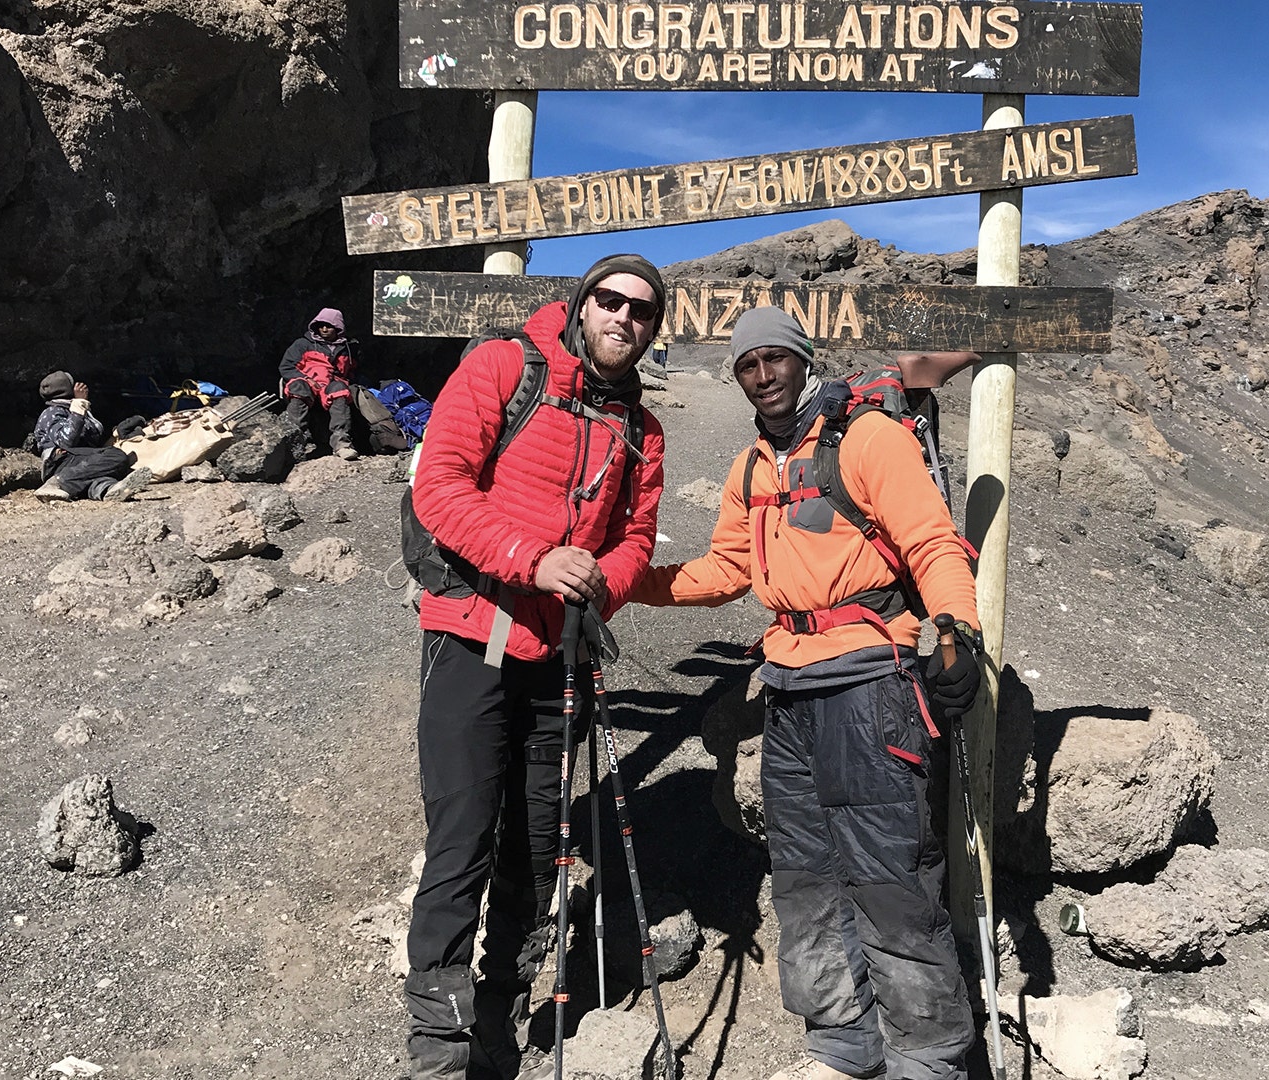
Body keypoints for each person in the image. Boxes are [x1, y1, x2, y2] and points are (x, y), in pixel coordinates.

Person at [629, 306, 983, 1080]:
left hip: (870, 682)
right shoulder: (752, 467)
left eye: (774, 359)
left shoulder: (867, 438)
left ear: (802, 358)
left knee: (889, 876)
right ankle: (843, 1045)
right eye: (747, 365)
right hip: (786, 688)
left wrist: (958, 629)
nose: (762, 376)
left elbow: (929, 542)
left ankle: (927, 1059)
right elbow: (724, 572)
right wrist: (628, 584)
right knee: (804, 878)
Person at [403, 255, 669, 1080]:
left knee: (535, 845)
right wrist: (533, 559)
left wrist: (601, 587)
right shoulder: (502, 367)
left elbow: (636, 539)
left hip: (560, 659)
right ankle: (439, 1052)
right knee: (462, 842)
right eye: (611, 300)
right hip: (472, 640)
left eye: (644, 312)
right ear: (582, 303)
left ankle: (500, 1019)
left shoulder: (643, 429)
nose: (625, 317)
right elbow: (439, 489)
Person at [31, 371, 150, 502]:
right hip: (61, 461)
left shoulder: (71, 410)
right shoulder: (52, 412)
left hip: (79, 462)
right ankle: (58, 483)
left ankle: (107, 490)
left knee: (98, 474)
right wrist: (79, 403)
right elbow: (66, 442)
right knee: (117, 456)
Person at [280, 306, 361, 460]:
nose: (324, 329)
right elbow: (286, 367)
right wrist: (306, 379)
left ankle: (342, 444)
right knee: (299, 387)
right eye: (321, 326)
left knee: (340, 389)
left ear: (338, 328)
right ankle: (292, 444)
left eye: (329, 326)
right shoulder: (302, 344)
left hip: (331, 385)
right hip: (307, 383)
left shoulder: (348, 348)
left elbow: (353, 371)